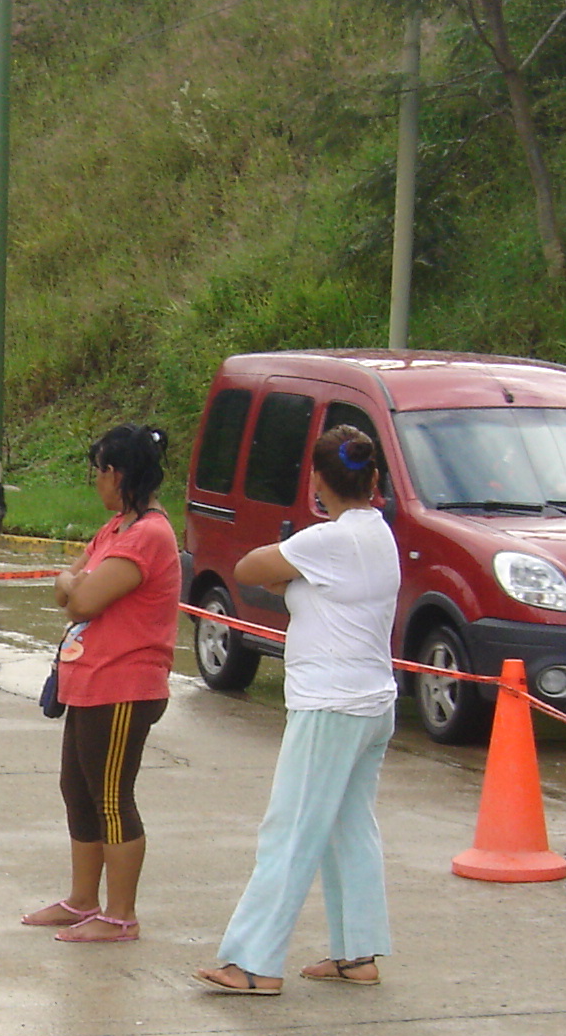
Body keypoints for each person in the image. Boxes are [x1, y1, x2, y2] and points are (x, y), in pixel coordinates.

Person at [196, 425, 402, 994]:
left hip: (329, 705)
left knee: (289, 831)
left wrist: (299, 551)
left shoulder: (325, 542)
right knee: (347, 827)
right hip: (370, 703)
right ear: (376, 481)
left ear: (315, 482)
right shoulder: (378, 534)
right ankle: (357, 953)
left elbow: (248, 568)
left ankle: (254, 961)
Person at [22, 426, 182, 942]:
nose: (96, 482)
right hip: (88, 682)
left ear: (117, 474)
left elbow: (83, 598)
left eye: (99, 472)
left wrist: (76, 585)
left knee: (112, 796)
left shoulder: (148, 536)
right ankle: (83, 899)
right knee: (78, 790)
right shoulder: (116, 529)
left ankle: (121, 914)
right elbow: (66, 587)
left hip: (124, 685)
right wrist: (74, 583)